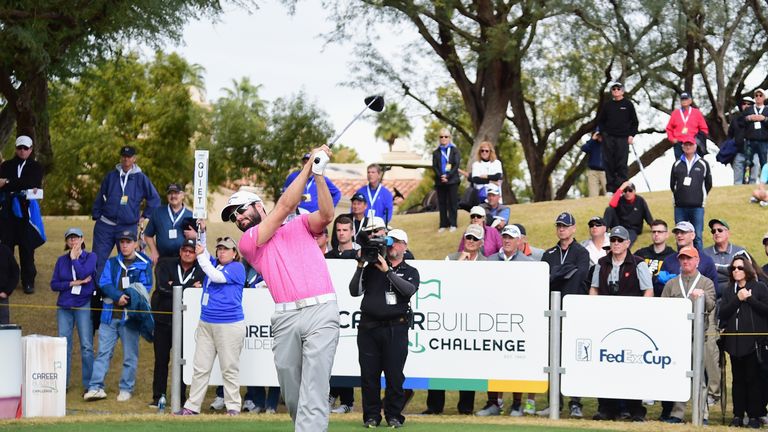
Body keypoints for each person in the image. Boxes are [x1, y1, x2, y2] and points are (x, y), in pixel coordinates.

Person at [231, 145, 339, 432]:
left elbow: (327, 215)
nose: (238, 219)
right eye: (234, 218)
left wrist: (318, 174)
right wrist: (307, 166)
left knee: (314, 388)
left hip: (321, 310)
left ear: (257, 205)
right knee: (293, 395)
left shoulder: (301, 224)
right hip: (286, 317)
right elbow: (283, 207)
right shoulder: (249, 241)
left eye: (240, 211)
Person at [349, 228, 418, 428]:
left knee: (394, 375)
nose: (392, 245)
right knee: (369, 375)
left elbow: (408, 291)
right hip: (368, 328)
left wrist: (387, 271)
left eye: (396, 242)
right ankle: (371, 415)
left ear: (405, 246)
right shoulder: (371, 268)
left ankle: (394, 415)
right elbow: (354, 291)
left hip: (396, 328)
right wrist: (361, 265)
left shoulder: (410, 271)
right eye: (389, 242)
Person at [91, 145, 160, 332]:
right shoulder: (112, 176)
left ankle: (133, 301)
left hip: (127, 226)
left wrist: (145, 216)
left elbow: (154, 199)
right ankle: (98, 300)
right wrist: (96, 214)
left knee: (130, 262)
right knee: (98, 261)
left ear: (134, 158)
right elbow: (101, 195)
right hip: (106, 225)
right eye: (123, 157)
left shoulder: (140, 178)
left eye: (129, 157)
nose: (126, 160)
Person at [176, 236, 246, 416]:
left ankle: (233, 407)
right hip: (207, 322)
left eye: (226, 249)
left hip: (228, 324)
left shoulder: (237, 268)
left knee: (229, 368)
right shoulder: (215, 263)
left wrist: (200, 256)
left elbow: (214, 275)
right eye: (220, 248)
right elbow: (205, 254)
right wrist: (203, 233)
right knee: (200, 367)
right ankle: (192, 407)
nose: (222, 251)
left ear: (234, 253)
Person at [590, 226, 653, 422]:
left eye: (620, 240)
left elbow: (648, 291)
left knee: (631, 364)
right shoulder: (601, 264)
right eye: (614, 240)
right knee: (605, 364)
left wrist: (639, 316)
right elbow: (594, 289)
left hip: (631, 324)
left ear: (627, 243)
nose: (616, 243)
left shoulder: (639, 264)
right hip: (605, 323)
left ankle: (634, 409)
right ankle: (606, 407)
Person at [423, 224, 487, 416]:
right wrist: (459, 263)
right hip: (448, 318)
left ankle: (466, 407)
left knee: (468, 364)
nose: (471, 241)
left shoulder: (488, 263)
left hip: (473, 320)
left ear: (482, 243)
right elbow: (443, 283)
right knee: (439, 361)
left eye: (475, 239)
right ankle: (434, 406)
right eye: (468, 237)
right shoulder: (450, 258)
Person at [84, 230, 152, 402]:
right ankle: (95, 387)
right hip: (109, 316)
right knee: (103, 353)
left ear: (136, 243)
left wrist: (126, 298)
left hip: (130, 318)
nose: (124, 245)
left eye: (128, 242)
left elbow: (146, 287)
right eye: (122, 242)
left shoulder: (145, 263)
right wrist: (117, 296)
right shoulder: (112, 262)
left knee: (130, 355)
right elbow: (104, 283)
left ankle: (126, 388)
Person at [477, 224, 533, 417]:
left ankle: (517, 403)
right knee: (491, 361)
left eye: (511, 237)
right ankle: (493, 403)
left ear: (519, 241)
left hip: (518, 321)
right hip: (493, 320)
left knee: (515, 362)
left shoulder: (528, 263)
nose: (507, 240)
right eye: (505, 237)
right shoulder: (490, 260)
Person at [538, 212, 589, 418]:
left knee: (572, 358)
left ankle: (575, 403)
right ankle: (554, 402)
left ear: (574, 228)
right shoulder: (549, 253)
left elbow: (581, 276)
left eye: (565, 226)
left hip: (573, 312)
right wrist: (563, 272)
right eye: (559, 225)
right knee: (553, 358)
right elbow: (543, 280)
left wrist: (556, 275)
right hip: (552, 313)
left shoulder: (581, 253)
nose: (562, 229)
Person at [659, 246, 715, 424]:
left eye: (689, 258)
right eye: (682, 258)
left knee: (700, 378)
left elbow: (712, 305)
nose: (685, 261)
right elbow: (663, 310)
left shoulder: (706, 282)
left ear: (697, 261)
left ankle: (702, 414)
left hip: (698, 337)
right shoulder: (671, 284)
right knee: (678, 375)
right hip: (677, 337)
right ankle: (677, 413)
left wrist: (704, 296)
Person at [150, 238, 204, 408]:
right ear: (180, 251)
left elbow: (199, 291)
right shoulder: (165, 264)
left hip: (186, 322)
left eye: (191, 251)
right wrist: (189, 286)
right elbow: (162, 288)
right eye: (185, 250)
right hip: (163, 320)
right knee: (161, 359)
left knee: (182, 359)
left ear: (196, 254)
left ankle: (180, 397)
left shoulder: (201, 269)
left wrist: (176, 285)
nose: (188, 253)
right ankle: (158, 396)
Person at [720, 255, 768, 428]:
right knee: (737, 381)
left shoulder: (760, 287)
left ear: (747, 269)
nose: (736, 271)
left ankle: (755, 415)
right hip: (734, 344)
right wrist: (738, 299)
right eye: (733, 268)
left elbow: (765, 310)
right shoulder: (728, 290)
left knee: (753, 380)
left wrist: (749, 299)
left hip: (754, 344)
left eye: (740, 268)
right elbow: (723, 313)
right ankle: (738, 415)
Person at [50, 228, 97, 392]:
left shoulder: (91, 257)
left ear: (82, 239)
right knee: (64, 345)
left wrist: (74, 259)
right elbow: (54, 285)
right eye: (70, 238)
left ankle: (89, 384)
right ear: (66, 241)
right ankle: (63, 383)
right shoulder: (61, 260)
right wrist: (72, 283)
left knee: (86, 345)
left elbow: (85, 272)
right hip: (64, 306)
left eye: (76, 238)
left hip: (82, 303)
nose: (73, 241)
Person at [0, 135, 45, 294]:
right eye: (20, 148)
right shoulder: (6, 165)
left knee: (27, 248)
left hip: (26, 213)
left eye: (26, 148)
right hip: (7, 213)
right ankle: (4, 281)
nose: (22, 151)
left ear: (31, 149)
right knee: (6, 248)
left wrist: (8, 182)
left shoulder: (35, 166)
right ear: (16, 148)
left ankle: (28, 281)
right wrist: (9, 184)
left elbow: (32, 183)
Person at [326, 216, 358, 414]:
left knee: (348, 354)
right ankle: (330, 395)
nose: (341, 233)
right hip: (332, 310)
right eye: (338, 230)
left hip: (353, 311)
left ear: (352, 231)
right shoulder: (328, 257)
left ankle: (348, 401)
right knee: (331, 355)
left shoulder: (359, 255)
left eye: (345, 230)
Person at [670, 139, 713, 251]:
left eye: (690, 144)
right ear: (682, 146)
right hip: (680, 207)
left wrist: (699, 196)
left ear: (695, 146)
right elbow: (672, 184)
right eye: (685, 144)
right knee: (680, 236)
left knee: (697, 235)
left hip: (697, 207)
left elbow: (708, 183)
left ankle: (699, 261)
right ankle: (680, 260)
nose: (688, 147)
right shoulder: (677, 164)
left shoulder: (703, 163)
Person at [596, 82, 639, 192]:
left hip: (623, 138)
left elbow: (635, 122)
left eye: (618, 89)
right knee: (609, 163)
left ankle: (623, 188)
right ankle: (610, 189)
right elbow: (600, 121)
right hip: (609, 138)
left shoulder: (628, 104)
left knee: (621, 163)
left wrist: (631, 135)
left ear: (622, 91)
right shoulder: (607, 105)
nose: (616, 90)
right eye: (613, 89)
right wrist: (602, 133)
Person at [144, 183, 194, 265]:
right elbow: (148, 235)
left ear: (183, 195)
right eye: (170, 193)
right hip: (163, 259)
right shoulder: (158, 212)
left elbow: (199, 238)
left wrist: (196, 235)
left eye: (176, 193)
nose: (173, 196)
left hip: (183, 261)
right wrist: (154, 251)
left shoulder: (190, 215)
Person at [635, 219, 676, 297]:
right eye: (654, 232)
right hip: (641, 296)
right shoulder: (641, 253)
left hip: (663, 297)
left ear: (667, 234)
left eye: (660, 232)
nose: (656, 234)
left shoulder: (672, 256)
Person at [432, 128, 461, 233]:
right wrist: (441, 176)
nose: (443, 138)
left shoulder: (454, 150)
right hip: (440, 181)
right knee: (442, 203)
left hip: (452, 180)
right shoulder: (436, 152)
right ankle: (443, 224)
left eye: (446, 136)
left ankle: (453, 223)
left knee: (452, 203)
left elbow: (456, 164)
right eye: (441, 137)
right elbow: (434, 166)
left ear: (449, 138)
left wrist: (448, 176)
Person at [666, 92, 709, 159]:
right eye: (682, 99)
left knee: (695, 166)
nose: (684, 101)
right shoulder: (675, 113)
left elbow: (704, 129)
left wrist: (697, 139)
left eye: (686, 99)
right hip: (679, 143)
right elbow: (669, 128)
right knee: (680, 166)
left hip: (693, 144)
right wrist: (672, 139)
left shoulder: (697, 112)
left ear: (690, 101)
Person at [739, 88, 768, 174]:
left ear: (764, 98)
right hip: (749, 141)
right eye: (756, 95)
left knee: (763, 162)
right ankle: (746, 181)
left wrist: (764, 119)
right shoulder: (749, 110)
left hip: (763, 141)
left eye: (760, 95)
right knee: (748, 162)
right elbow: (740, 122)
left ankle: (765, 182)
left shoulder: (767, 110)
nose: (758, 97)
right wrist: (748, 118)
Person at [729, 96, 757, 184]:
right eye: (744, 104)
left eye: (749, 104)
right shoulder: (735, 119)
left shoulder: (757, 118)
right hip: (739, 152)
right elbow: (730, 136)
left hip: (755, 152)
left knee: (753, 179)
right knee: (737, 181)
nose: (746, 106)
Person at [580, 130, 607, 197]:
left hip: (605, 172)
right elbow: (584, 148)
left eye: (601, 134)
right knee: (593, 195)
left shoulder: (608, 144)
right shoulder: (592, 144)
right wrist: (592, 139)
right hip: (593, 172)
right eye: (598, 135)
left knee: (609, 194)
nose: (600, 136)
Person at [0, 241, 19, 324]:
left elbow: (15, 272)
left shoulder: (6, 251)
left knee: (4, 327)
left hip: (2, 297)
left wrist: (7, 291)